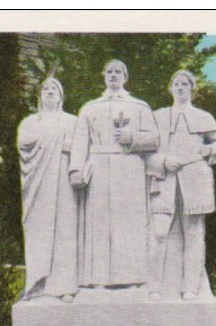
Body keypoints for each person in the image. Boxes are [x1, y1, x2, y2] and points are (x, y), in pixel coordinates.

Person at [69, 60, 159, 288]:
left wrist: (133, 138)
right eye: (109, 71)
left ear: (125, 77)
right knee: (99, 223)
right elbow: (80, 141)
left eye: (118, 72)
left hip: (129, 168)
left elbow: (155, 139)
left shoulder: (139, 107)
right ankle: (97, 279)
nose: (113, 75)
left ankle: (132, 278)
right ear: (103, 76)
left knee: (129, 222)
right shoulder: (90, 108)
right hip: (98, 167)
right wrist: (76, 169)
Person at [147, 70, 216, 300]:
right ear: (170, 87)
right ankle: (154, 286)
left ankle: (190, 287)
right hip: (164, 181)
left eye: (185, 84)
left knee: (193, 234)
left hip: (194, 180)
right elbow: (145, 151)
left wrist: (210, 149)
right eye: (176, 83)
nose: (180, 87)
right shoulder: (158, 116)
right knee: (158, 232)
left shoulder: (203, 117)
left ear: (192, 88)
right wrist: (163, 161)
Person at [17, 78, 78, 302]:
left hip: (64, 185)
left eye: (54, 89)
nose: (49, 92)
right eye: (46, 89)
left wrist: (67, 145)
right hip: (39, 187)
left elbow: (80, 149)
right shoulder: (31, 122)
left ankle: (65, 287)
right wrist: (52, 139)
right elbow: (24, 143)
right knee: (39, 230)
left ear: (61, 96)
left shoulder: (72, 122)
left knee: (65, 231)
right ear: (40, 96)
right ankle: (37, 284)